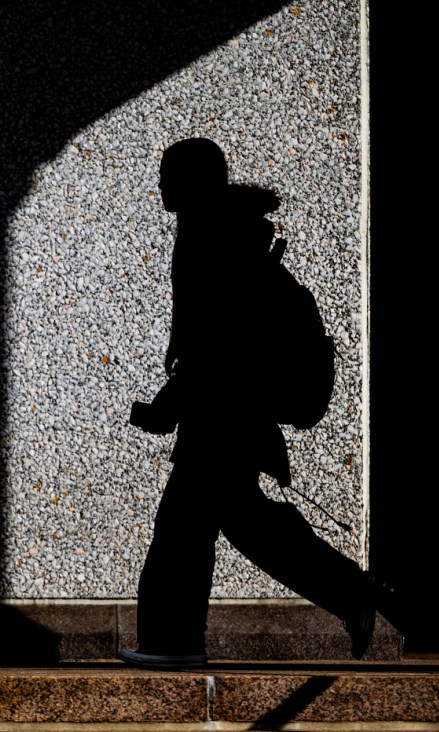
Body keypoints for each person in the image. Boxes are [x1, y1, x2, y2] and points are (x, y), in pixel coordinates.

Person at [118, 138, 377, 669]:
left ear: (195, 180)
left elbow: (216, 341)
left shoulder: (210, 237)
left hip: (223, 410)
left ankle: (173, 644)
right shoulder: (216, 230)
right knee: (242, 522)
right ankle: (355, 593)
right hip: (229, 408)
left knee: (185, 529)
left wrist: (169, 403)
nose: (161, 183)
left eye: (170, 173)